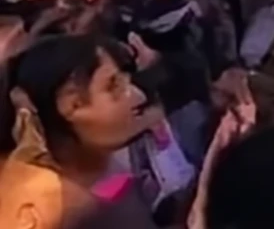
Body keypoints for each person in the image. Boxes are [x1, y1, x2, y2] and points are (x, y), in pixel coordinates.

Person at [0, 31, 160, 229]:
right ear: (70, 105)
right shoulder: (51, 210)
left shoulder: (104, 169)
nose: (138, 96)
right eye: (113, 86)